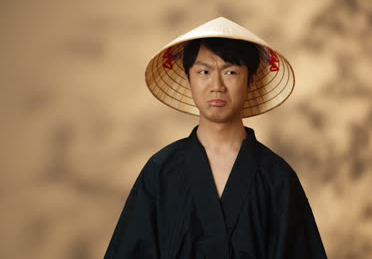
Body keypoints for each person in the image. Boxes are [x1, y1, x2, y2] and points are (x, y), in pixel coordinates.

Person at [104, 17, 327, 259]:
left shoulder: (277, 178)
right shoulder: (160, 171)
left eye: (230, 71)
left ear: (251, 80)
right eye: (204, 72)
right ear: (188, 79)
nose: (216, 85)